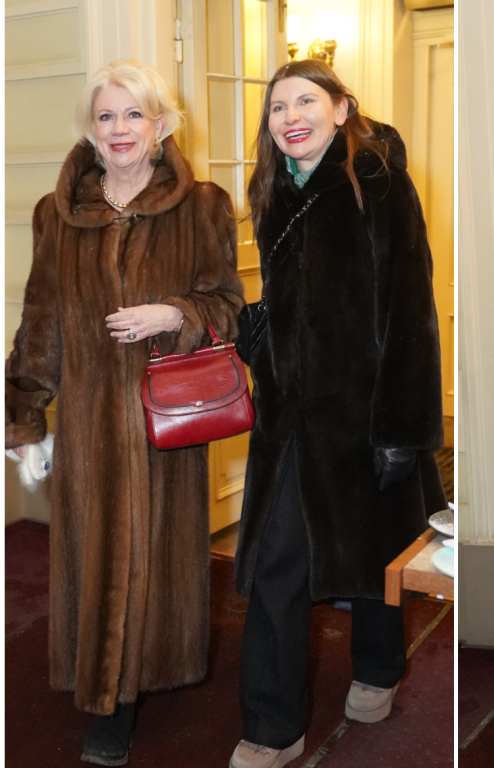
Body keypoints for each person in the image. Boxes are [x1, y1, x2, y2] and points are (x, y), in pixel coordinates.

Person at [4, 60, 245, 765]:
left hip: (165, 421)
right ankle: (107, 692)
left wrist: (173, 313)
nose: (119, 129)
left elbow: (229, 308)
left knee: (154, 561)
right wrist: (26, 417)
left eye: (134, 114)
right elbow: (40, 320)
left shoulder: (203, 206)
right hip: (88, 427)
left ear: (160, 124)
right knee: (94, 557)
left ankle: (126, 693)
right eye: (106, 116)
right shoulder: (56, 214)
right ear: (91, 127)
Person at [229, 60, 446, 768]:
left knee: (373, 556)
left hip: (367, 412)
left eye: (306, 101)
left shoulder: (376, 180)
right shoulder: (270, 191)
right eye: (278, 107)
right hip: (288, 417)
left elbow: (410, 305)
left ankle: (379, 670)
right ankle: (273, 726)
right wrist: (258, 334)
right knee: (276, 564)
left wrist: (403, 429)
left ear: (342, 108)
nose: (290, 117)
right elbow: (292, 299)